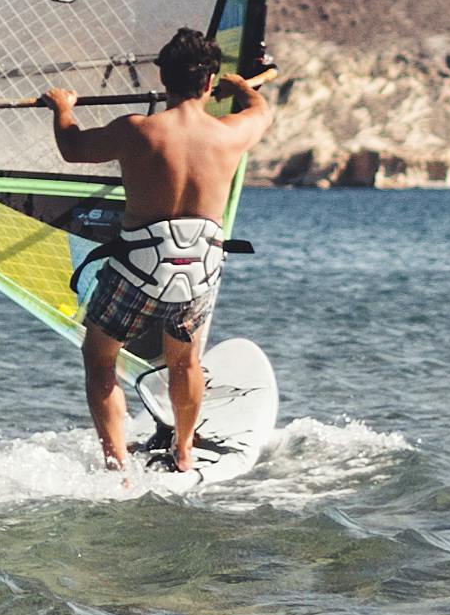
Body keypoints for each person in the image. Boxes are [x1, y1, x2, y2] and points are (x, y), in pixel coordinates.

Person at [42, 29, 278, 477]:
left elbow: (72, 148)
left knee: (100, 357)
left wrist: (63, 108)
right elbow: (261, 111)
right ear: (208, 82)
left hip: (136, 271)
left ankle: (118, 464)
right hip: (198, 274)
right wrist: (244, 86)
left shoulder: (137, 132)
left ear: (163, 79)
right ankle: (185, 450)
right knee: (185, 361)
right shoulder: (231, 135)